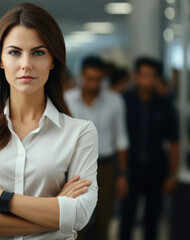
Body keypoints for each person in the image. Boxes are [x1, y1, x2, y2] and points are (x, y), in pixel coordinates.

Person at [0, 3, 98, 239]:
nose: (26, 64)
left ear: (53, 60)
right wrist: (56, 214)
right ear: (0, 61)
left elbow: (79, 215)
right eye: (15, 52)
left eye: (38, 52)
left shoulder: (80, 133)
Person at [66, 56, 129, 240]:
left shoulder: (115, 100)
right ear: (82, 76)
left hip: (106, 166)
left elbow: (121, 138)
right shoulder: (67, 99)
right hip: (76, 167)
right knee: (78, 220)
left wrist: (123, 174)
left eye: (98, 79)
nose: (94, 84)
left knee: (104, 218)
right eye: (90, 78)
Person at [120, 57, 179, 240]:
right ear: (136, 77)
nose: (149, 80)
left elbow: (174, 141)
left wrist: (172, 174)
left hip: (156, 167)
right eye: (144, 75)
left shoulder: (165, 104)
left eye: (153, 76)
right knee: (127, 216)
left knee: (152, 217)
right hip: (131, 166)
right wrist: (120, 172)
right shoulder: (124, 101)